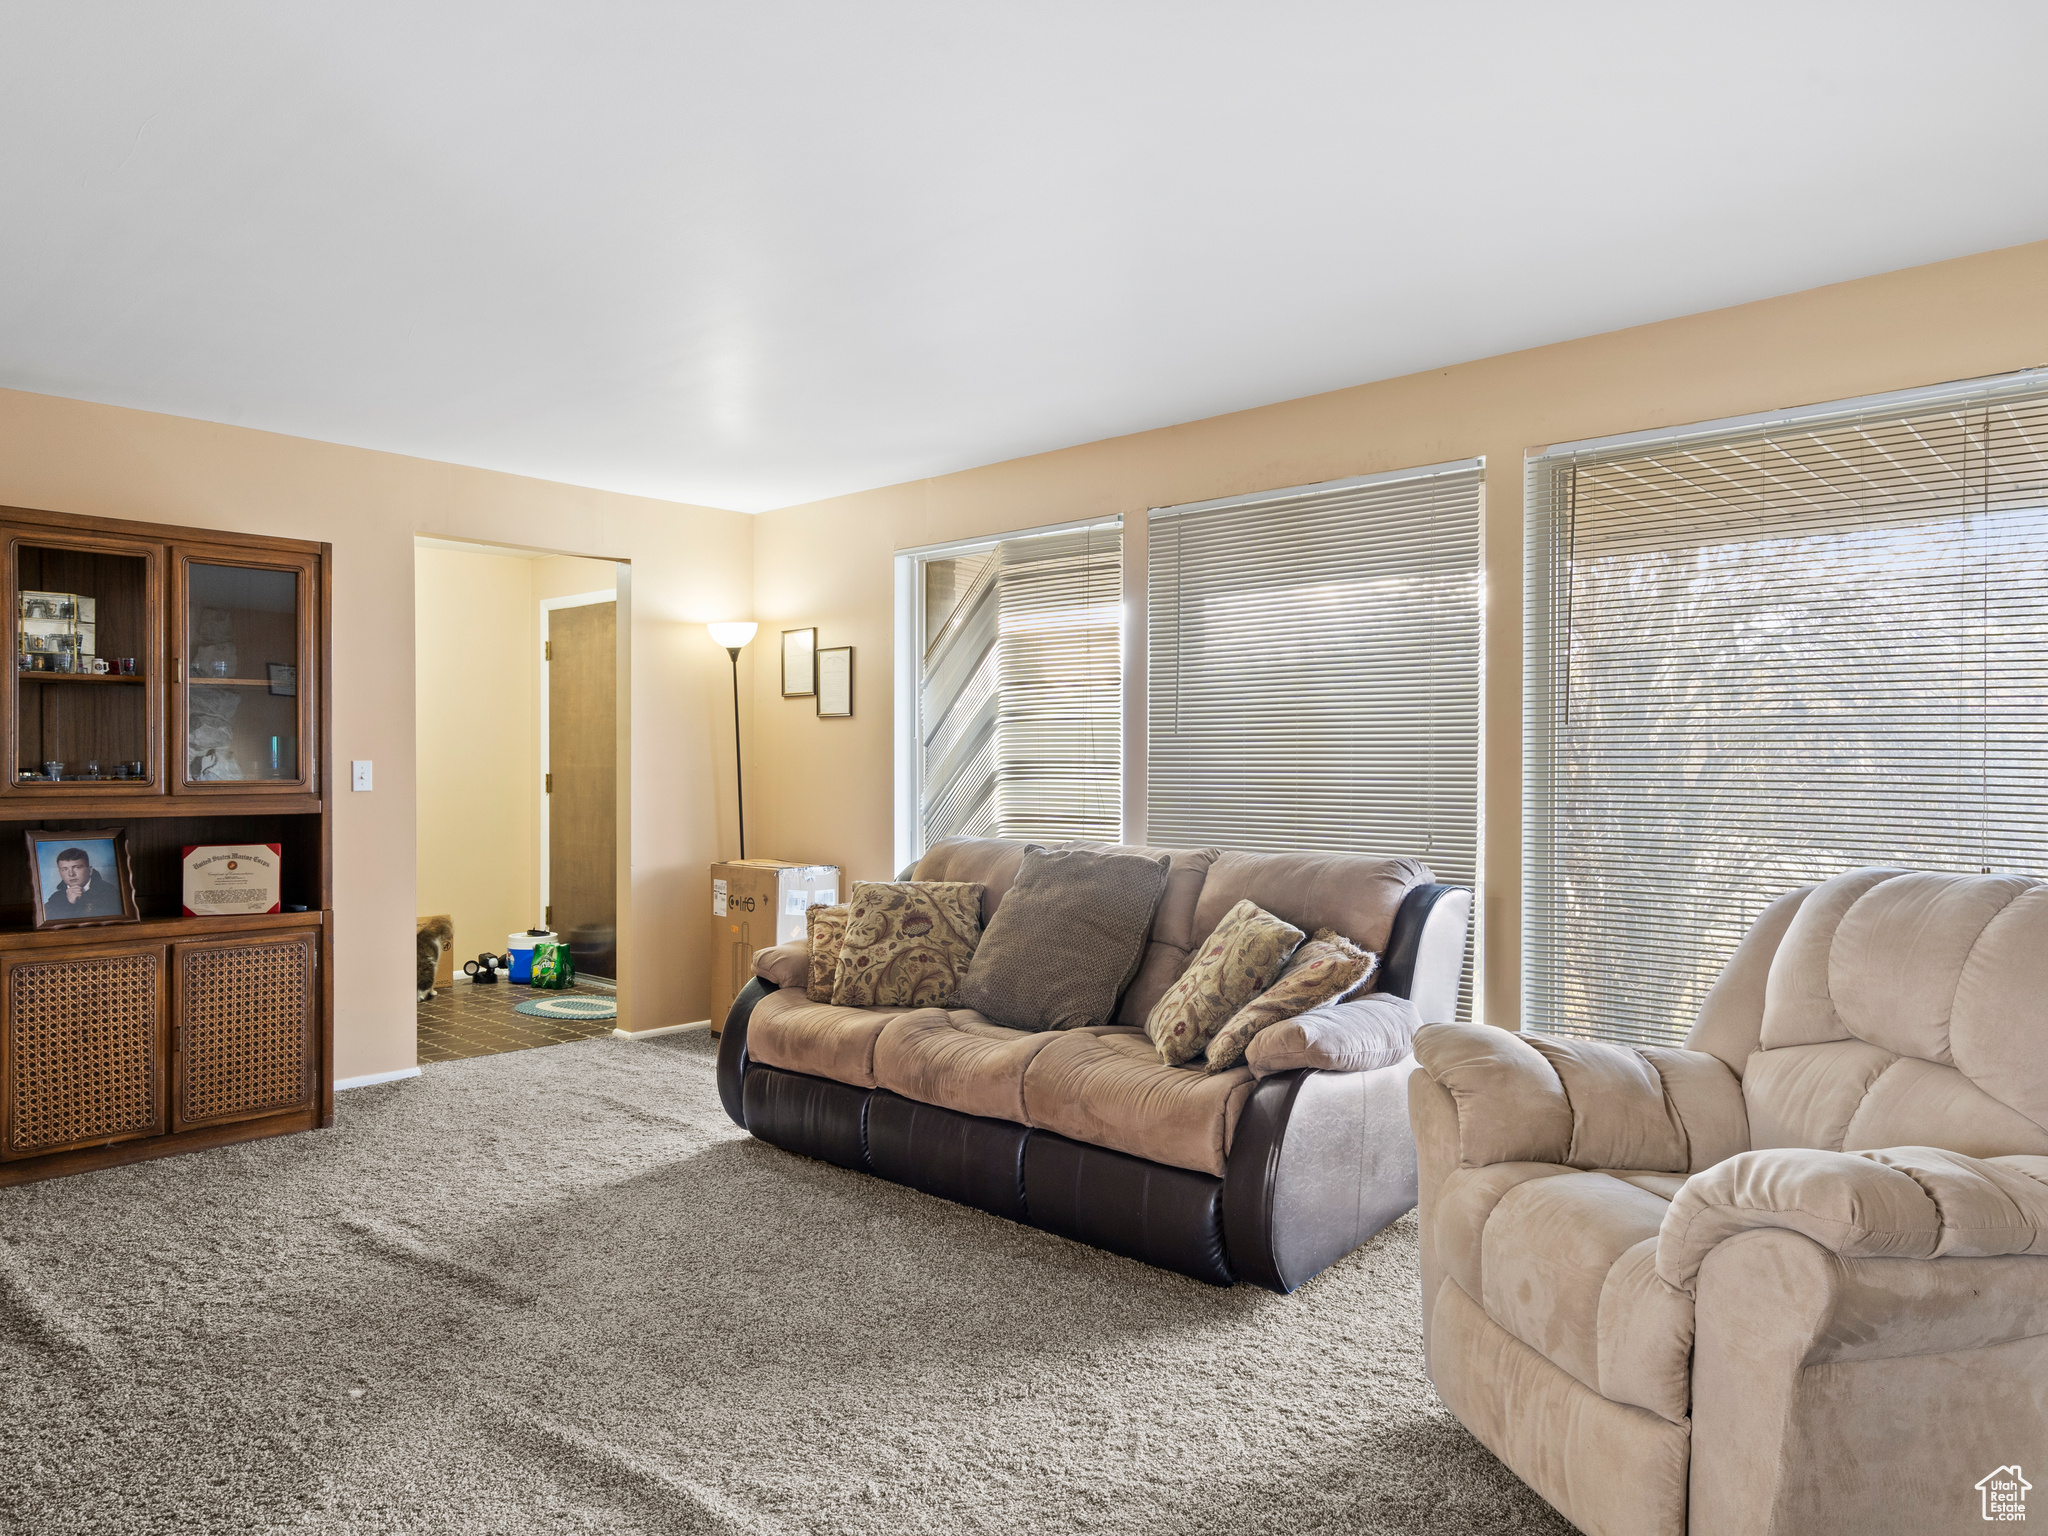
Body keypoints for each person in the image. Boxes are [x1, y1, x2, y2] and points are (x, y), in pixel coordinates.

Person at [44, 846, 123, 918]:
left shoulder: (109, 892)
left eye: (77, 868)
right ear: (60, 873)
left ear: (90, 870)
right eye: (64, 869)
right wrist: (69, 903)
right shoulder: (56, 897)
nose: (71, 874)